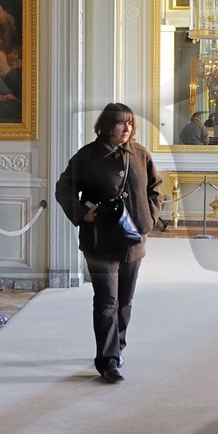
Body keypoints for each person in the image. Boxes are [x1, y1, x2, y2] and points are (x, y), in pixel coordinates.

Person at [55, 102, 163, 384]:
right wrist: (82, 213)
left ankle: (118, 348)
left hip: (133, 241)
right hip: (99, 240)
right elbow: (63, 187)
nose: (126, 128)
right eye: (120, 123)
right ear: (106, 126)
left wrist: (149, 219)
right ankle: (107, 361)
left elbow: (156, 189)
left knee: (125, 301)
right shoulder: (88, 156)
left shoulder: (140, 154)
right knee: (107, 300)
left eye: (130, 123)